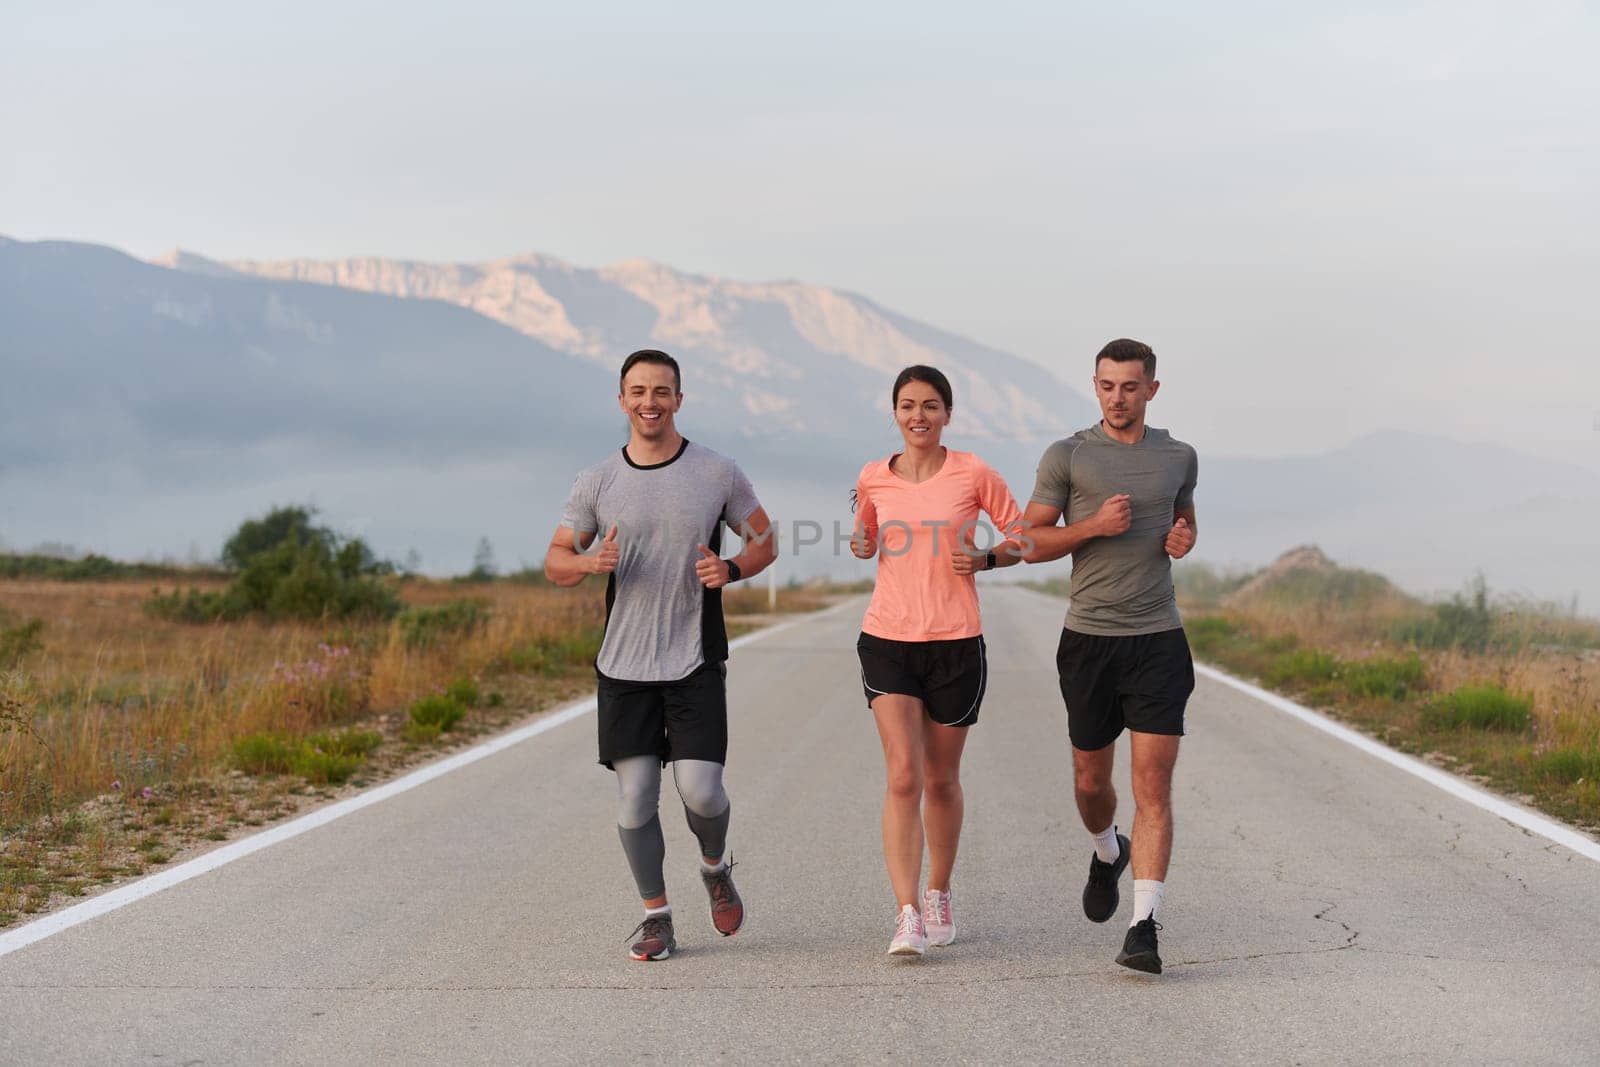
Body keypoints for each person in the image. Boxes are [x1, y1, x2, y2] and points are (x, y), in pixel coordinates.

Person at [544, 348, 777, 962]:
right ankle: (657, 918)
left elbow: (765, 539)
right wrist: (589, 562)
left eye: (662, 391)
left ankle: (714, 865)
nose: (650, 402)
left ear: (679, 399)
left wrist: (730, 567)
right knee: (636, 795)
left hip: (694, 656)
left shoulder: (716, 472)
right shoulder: (597, 480)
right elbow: (555, 561)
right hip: (623, 665)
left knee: (701, 791)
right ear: (622, 400)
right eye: (639, 391)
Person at [1020, 338, 1198, 974]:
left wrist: (1183, 538)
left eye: (1130, 386)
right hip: (1090, 640)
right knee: (1092, 783)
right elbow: (1028, 542)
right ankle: (1105, 850)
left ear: (1152, 388)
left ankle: (1144, 927)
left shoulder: (1179, 456)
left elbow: (1185, 520)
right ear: (1094, 387)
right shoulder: (1069, 455)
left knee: (1153, 785)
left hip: (1158, 639)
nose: (1118, 398)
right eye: (1106, 386)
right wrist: (1091, 527)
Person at [851, 364, 1028, 957]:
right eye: (907, 405)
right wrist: (862, 543)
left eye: (930, 405)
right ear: (895, 413)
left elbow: (1023, 535)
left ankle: (938, 892)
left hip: (955, 641)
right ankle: (905, 915)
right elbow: (865, 534)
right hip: (888, 638)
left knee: (940, 779)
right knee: (903, 774)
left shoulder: (973, 472)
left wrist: (987, 561)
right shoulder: (874, 476)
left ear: (947, 413)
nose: (918, 416)